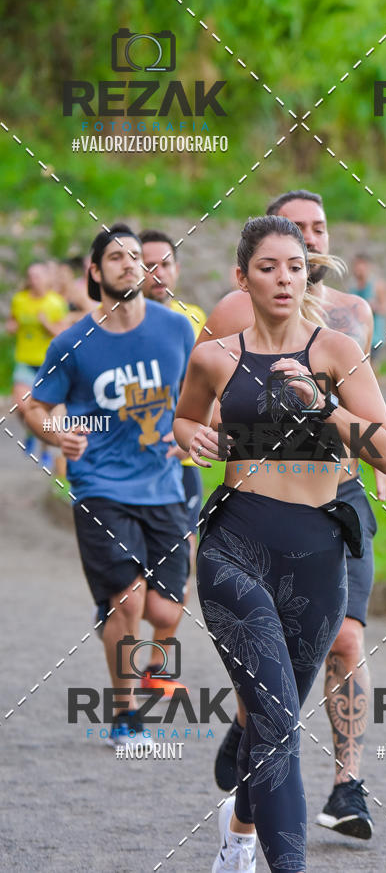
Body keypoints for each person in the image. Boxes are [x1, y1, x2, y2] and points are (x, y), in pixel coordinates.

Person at [173, 215, 386, 873]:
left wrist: (323, 406)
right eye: (267, 267)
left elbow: (385, 450)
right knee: (273, 719)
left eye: (295, 267)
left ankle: (239, 834)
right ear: (242, 278)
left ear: (308, 274)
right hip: (235, 545)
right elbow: (184, 417)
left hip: (318, 553)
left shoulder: (337, 352)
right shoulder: (215, 355)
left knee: (275, 722)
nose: (283, 279)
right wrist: (192, 436)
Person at [24, 224, 195, 747]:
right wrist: (56, 434)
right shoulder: (72, 342)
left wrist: (192, 434)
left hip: (164, 486)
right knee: (129, 603)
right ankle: (125, 716)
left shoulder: (176, 328)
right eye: (116, 257)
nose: (129, 264)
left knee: (165, 611)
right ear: (95, 272)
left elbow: (203, 391)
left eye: (136, 256)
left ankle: (124, 628)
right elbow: (35, 406)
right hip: (99, 485)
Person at [140, 229, 208, 691]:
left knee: (180, 567)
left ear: (177, 270)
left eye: (164, 264)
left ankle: (156, 668)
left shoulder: (195, 319)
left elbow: (209, 387)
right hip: (126, 469)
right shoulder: (115, 323)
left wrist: (191, 437)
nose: (157, 273)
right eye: (147, 265)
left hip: (178, 468)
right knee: (128, 578)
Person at [7, 261, 68, 466]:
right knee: (22, 405)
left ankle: (45, 448)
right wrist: (12, 326)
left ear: (46, 278)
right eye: (31, 276)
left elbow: (63, 334)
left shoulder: (55, 303)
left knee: (47, 411)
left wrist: (46, 323)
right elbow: (13, 321)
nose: (34, 280)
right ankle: (31, 433)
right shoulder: (19, 299)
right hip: (25, 360)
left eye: (38, 276)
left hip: (48, 365)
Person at [350, 253, 386, 370]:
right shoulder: (353, 288)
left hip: (374, 335)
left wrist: (372, 307)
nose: (358, 269)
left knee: (371, 366)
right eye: (356, 265)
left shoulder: (378, 285)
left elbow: (385, 308)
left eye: (361, 265)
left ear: (368, 267)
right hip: (357, 334)